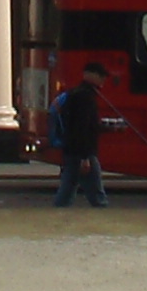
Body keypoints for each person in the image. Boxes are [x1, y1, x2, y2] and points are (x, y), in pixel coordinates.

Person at [50, 67, 109, 209]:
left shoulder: (75, 94)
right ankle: (105, 223)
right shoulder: (86, 97)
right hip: (82, 152)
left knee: (67, 189)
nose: (103, 80)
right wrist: (85, 157)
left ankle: (56, 216)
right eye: (101, 76)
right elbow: (82, 127)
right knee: (96, 193)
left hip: (71, 149)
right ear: (91, 76)